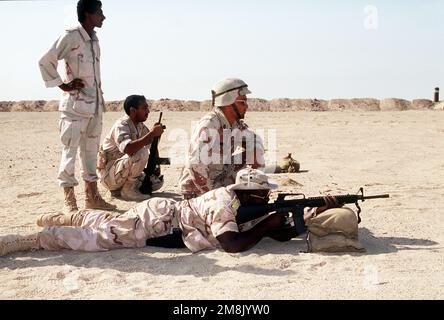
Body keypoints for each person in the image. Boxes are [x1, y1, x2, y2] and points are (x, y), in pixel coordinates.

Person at [0, 169, 364, 256]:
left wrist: (315, 208)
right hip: (160, 222)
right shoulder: (226, 203)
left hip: (166, 213)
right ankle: (30, 240)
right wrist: (267, 225)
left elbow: (278, 231)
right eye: (262, 193)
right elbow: (232, 244)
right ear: (247, 191)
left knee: (106, 222)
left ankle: (60, 216)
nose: (267, 198)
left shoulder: (246, 203)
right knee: (100, 237)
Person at [38, 0, 115, 214]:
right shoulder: (71, 37)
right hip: (74, 108)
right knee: (70, 153)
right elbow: (45, 61)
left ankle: (92, 198)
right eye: (99, 12)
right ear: (88, 14)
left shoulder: (94, 39)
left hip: (95, 107)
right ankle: (69, 200)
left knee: (90, 154)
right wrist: (63, 85)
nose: (103, 17)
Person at [178, 78, 266, 199]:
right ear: (228, 102)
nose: (247, 106)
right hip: (197, 191)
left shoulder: (234, 124)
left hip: (219, 179)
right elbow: (195, 165)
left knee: (254, 151)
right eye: (242, 102)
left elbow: (254, 140)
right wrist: (213, 198)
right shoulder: (209, 124)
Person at [97, 95, 165, 201]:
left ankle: (122, 188)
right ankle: (128, 191)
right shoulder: (121, 125)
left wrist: (156, 135)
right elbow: (128, 149)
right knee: (141, 153)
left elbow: (151, 144)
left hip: (122, 169)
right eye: (144, 108)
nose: (148, 111)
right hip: (109, 175)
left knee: (157, 182)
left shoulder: (139, 126)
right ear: (133, 110)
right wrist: (152, 133)